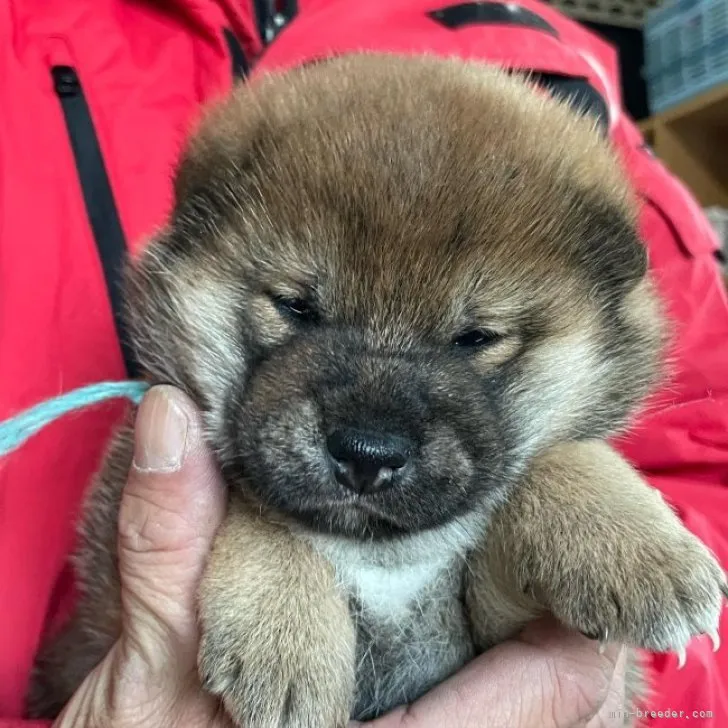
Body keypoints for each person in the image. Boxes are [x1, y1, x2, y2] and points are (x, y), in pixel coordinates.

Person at [1, 0, 726, 726]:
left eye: (477, 340)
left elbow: (708, 450)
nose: (369, 434)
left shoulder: (548, 54)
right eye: (294, 309)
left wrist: (603, 665)